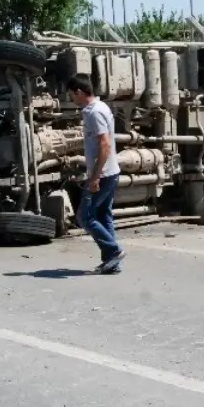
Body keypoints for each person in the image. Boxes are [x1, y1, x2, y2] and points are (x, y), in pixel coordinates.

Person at [67, 74, 125, 274]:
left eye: (72, 95)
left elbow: (105, 143)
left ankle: (113, 250)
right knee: (103, 215)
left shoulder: (95, 112)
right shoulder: (95, 109)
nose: (72, 99)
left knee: (84, 216)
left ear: (80, 92)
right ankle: (112, 262)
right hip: (109, 172)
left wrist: (95, 177)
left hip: (104, 173)